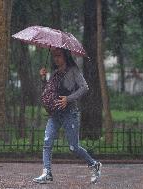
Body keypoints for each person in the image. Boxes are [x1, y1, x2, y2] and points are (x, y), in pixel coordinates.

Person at [33, 48, 102, 184]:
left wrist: (68, 99)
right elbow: (48, 92)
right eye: (54, 56)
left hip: (70, 113)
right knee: (47, 142)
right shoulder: (55, 73)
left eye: (58, 56)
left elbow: (84, 87)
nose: (56, 58)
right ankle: (47, 173)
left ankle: (94, 164)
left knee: (73, 147)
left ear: (65, 56)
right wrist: (43, 79)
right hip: (55, 113)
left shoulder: (73, 71)